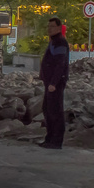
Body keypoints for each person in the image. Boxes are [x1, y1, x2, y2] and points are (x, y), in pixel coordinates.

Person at [40, 16, 70, 149]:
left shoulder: (60, 43)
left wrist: (53, 83)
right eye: (48, 26)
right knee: (47, 109)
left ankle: (56, 141)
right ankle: (49, 138)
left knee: (55, 111)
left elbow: (60, 64)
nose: (49, 29)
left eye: (52, 26)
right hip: (49, 83)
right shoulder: (53, 42)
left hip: (55, 84)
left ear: (59, 28)